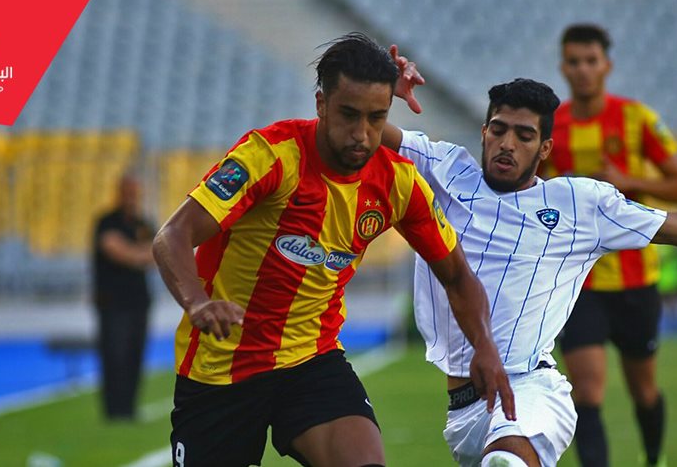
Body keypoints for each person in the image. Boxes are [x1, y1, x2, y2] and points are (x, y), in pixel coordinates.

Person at [381, 50, 677, 467]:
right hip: (462, 411)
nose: (507, 144)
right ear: (483, 132)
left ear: (544, 149)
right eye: (498, 129)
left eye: (524, 135)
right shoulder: (444, 168)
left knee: (509, 459)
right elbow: (358, 129)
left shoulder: (580, 204)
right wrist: (384, 90)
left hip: (528, 392)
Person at [151, 33, 512, 467]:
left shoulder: (398, 183)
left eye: (376, 118)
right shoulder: (271, 156)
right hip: (221, 365)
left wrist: (485, 347)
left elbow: (457, 276)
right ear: (321, 104)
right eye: (348, 114)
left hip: (311, 359)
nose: (362, 134)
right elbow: (172, 236)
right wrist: (197, 303)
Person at [544, 24, 677, 467]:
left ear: (607, 65)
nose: (583, 70)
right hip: (579, 281)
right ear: (563, 67)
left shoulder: (637, 118)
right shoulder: (553, 124)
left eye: (591, 61)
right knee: (586, 395)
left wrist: (628, 182)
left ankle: (654, 458)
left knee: (643, 391)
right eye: (574, 61)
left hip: (636, 278)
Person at [92, 174, 156, 421]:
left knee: (135, 354)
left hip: (138, 300)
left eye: (134, 191)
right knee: (114, 354)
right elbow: (116, 250)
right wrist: (139, 255)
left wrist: (136, 254)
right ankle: (113, 410)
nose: (131, 196)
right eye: (127, 191)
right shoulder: (107, 221)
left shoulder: (143, 223)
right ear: (119, 192)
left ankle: (129, 408)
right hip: (112, 302)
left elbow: (158, 250)